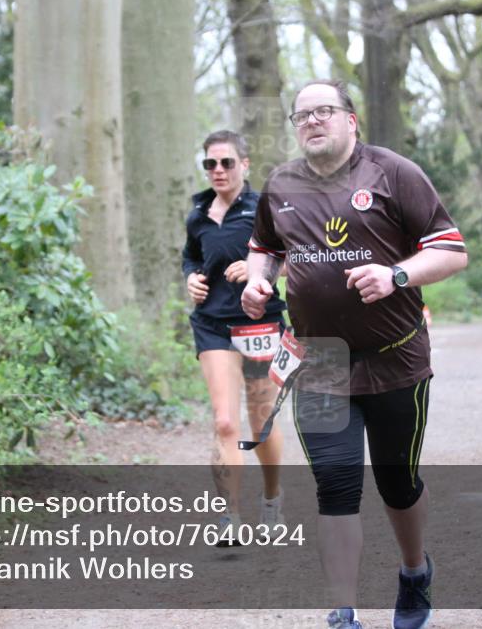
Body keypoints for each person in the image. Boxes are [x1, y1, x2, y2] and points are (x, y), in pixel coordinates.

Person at [241, 81, 467, 628]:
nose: (312, 121)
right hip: (318, 361)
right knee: (336, 486)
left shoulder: (393, 173)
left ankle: (414, 571)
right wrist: (257, 281)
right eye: (302, 116)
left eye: (324, 111)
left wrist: (396, 275)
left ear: (351, 119)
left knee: (397, 484)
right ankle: (343, 610)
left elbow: (451, 249)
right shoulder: (280, 185)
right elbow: (265, 247)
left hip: (395, 359)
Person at [182, 129, 288, 545]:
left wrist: (257, 268)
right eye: (210, 163)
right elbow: (191, 256)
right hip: (213, 325)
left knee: (261, 422)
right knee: (225, 421)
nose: (218, 170)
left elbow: (295, 257)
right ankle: (229, 516)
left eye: (226, 162)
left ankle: (272, 498)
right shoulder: (198, 212)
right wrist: (191, 278)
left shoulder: (264, 208)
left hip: (259, 323)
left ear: (244, 164)